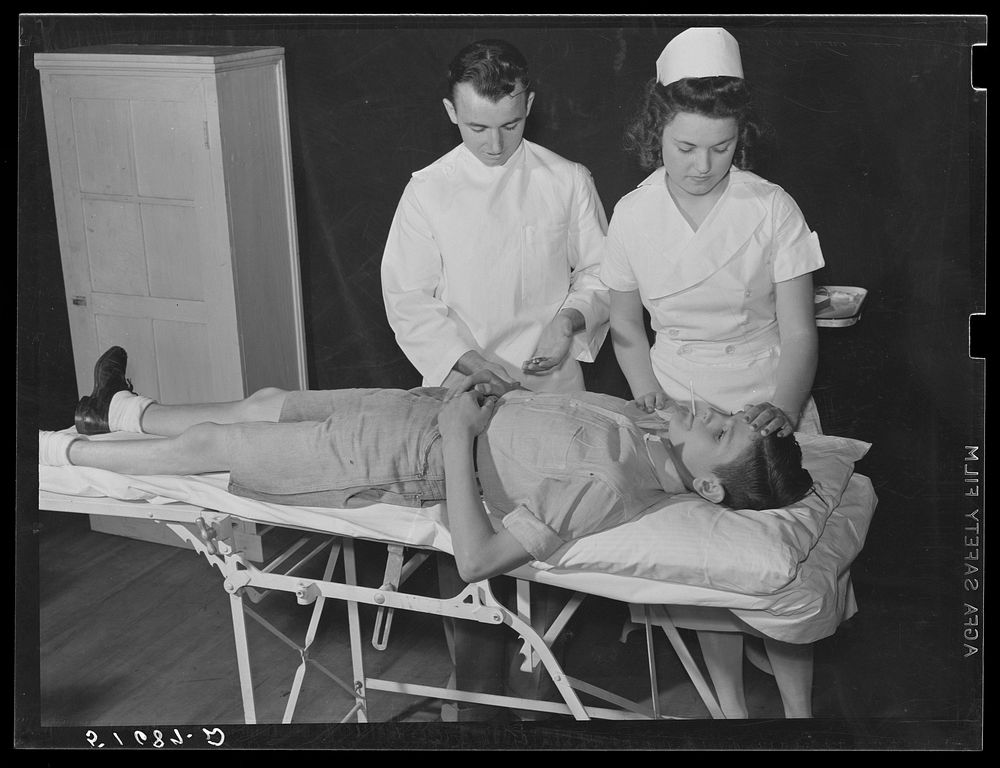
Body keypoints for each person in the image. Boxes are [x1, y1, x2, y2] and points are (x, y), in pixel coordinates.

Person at [43, 345, 813, 583]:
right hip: (410, 406)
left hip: (398, 452)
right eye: (722, 412)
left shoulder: (613, 485)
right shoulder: (642, 432)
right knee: (262, 400)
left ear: (707, 484)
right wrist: (487, 388)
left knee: (211, 452)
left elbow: (477, 559)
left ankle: (61, 456)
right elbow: (531, 424)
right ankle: (114, 414)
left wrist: (455, 432)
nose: (706, 412)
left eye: (718, 431)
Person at [379, 39, 610, 719]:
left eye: (509, 124)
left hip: (552, 389)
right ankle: (478, 694)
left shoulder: (566, 179)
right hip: (469, 387)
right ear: (450, 110)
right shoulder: (429, 189)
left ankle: (546, 688)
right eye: (477, 126)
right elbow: (408, 297)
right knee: (470, 533)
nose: (494, 142)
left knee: (548, 538)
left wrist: (567, 321)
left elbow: (600, 272)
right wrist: (465, 359)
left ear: (529, 106)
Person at [600, 27, 826, 717]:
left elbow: (798, 331)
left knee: (779, 573)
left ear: (742, 138)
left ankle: (797, 710)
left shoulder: (772, 208)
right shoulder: (633, 215)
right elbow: (628, 330)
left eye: (721, 148)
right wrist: (652, 404)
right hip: (682, 403)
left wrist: (781, 409)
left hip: (767, 392)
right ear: (656, 132)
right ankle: (727, 702)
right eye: (685, 147)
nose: (702, 164)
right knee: (704, 568)